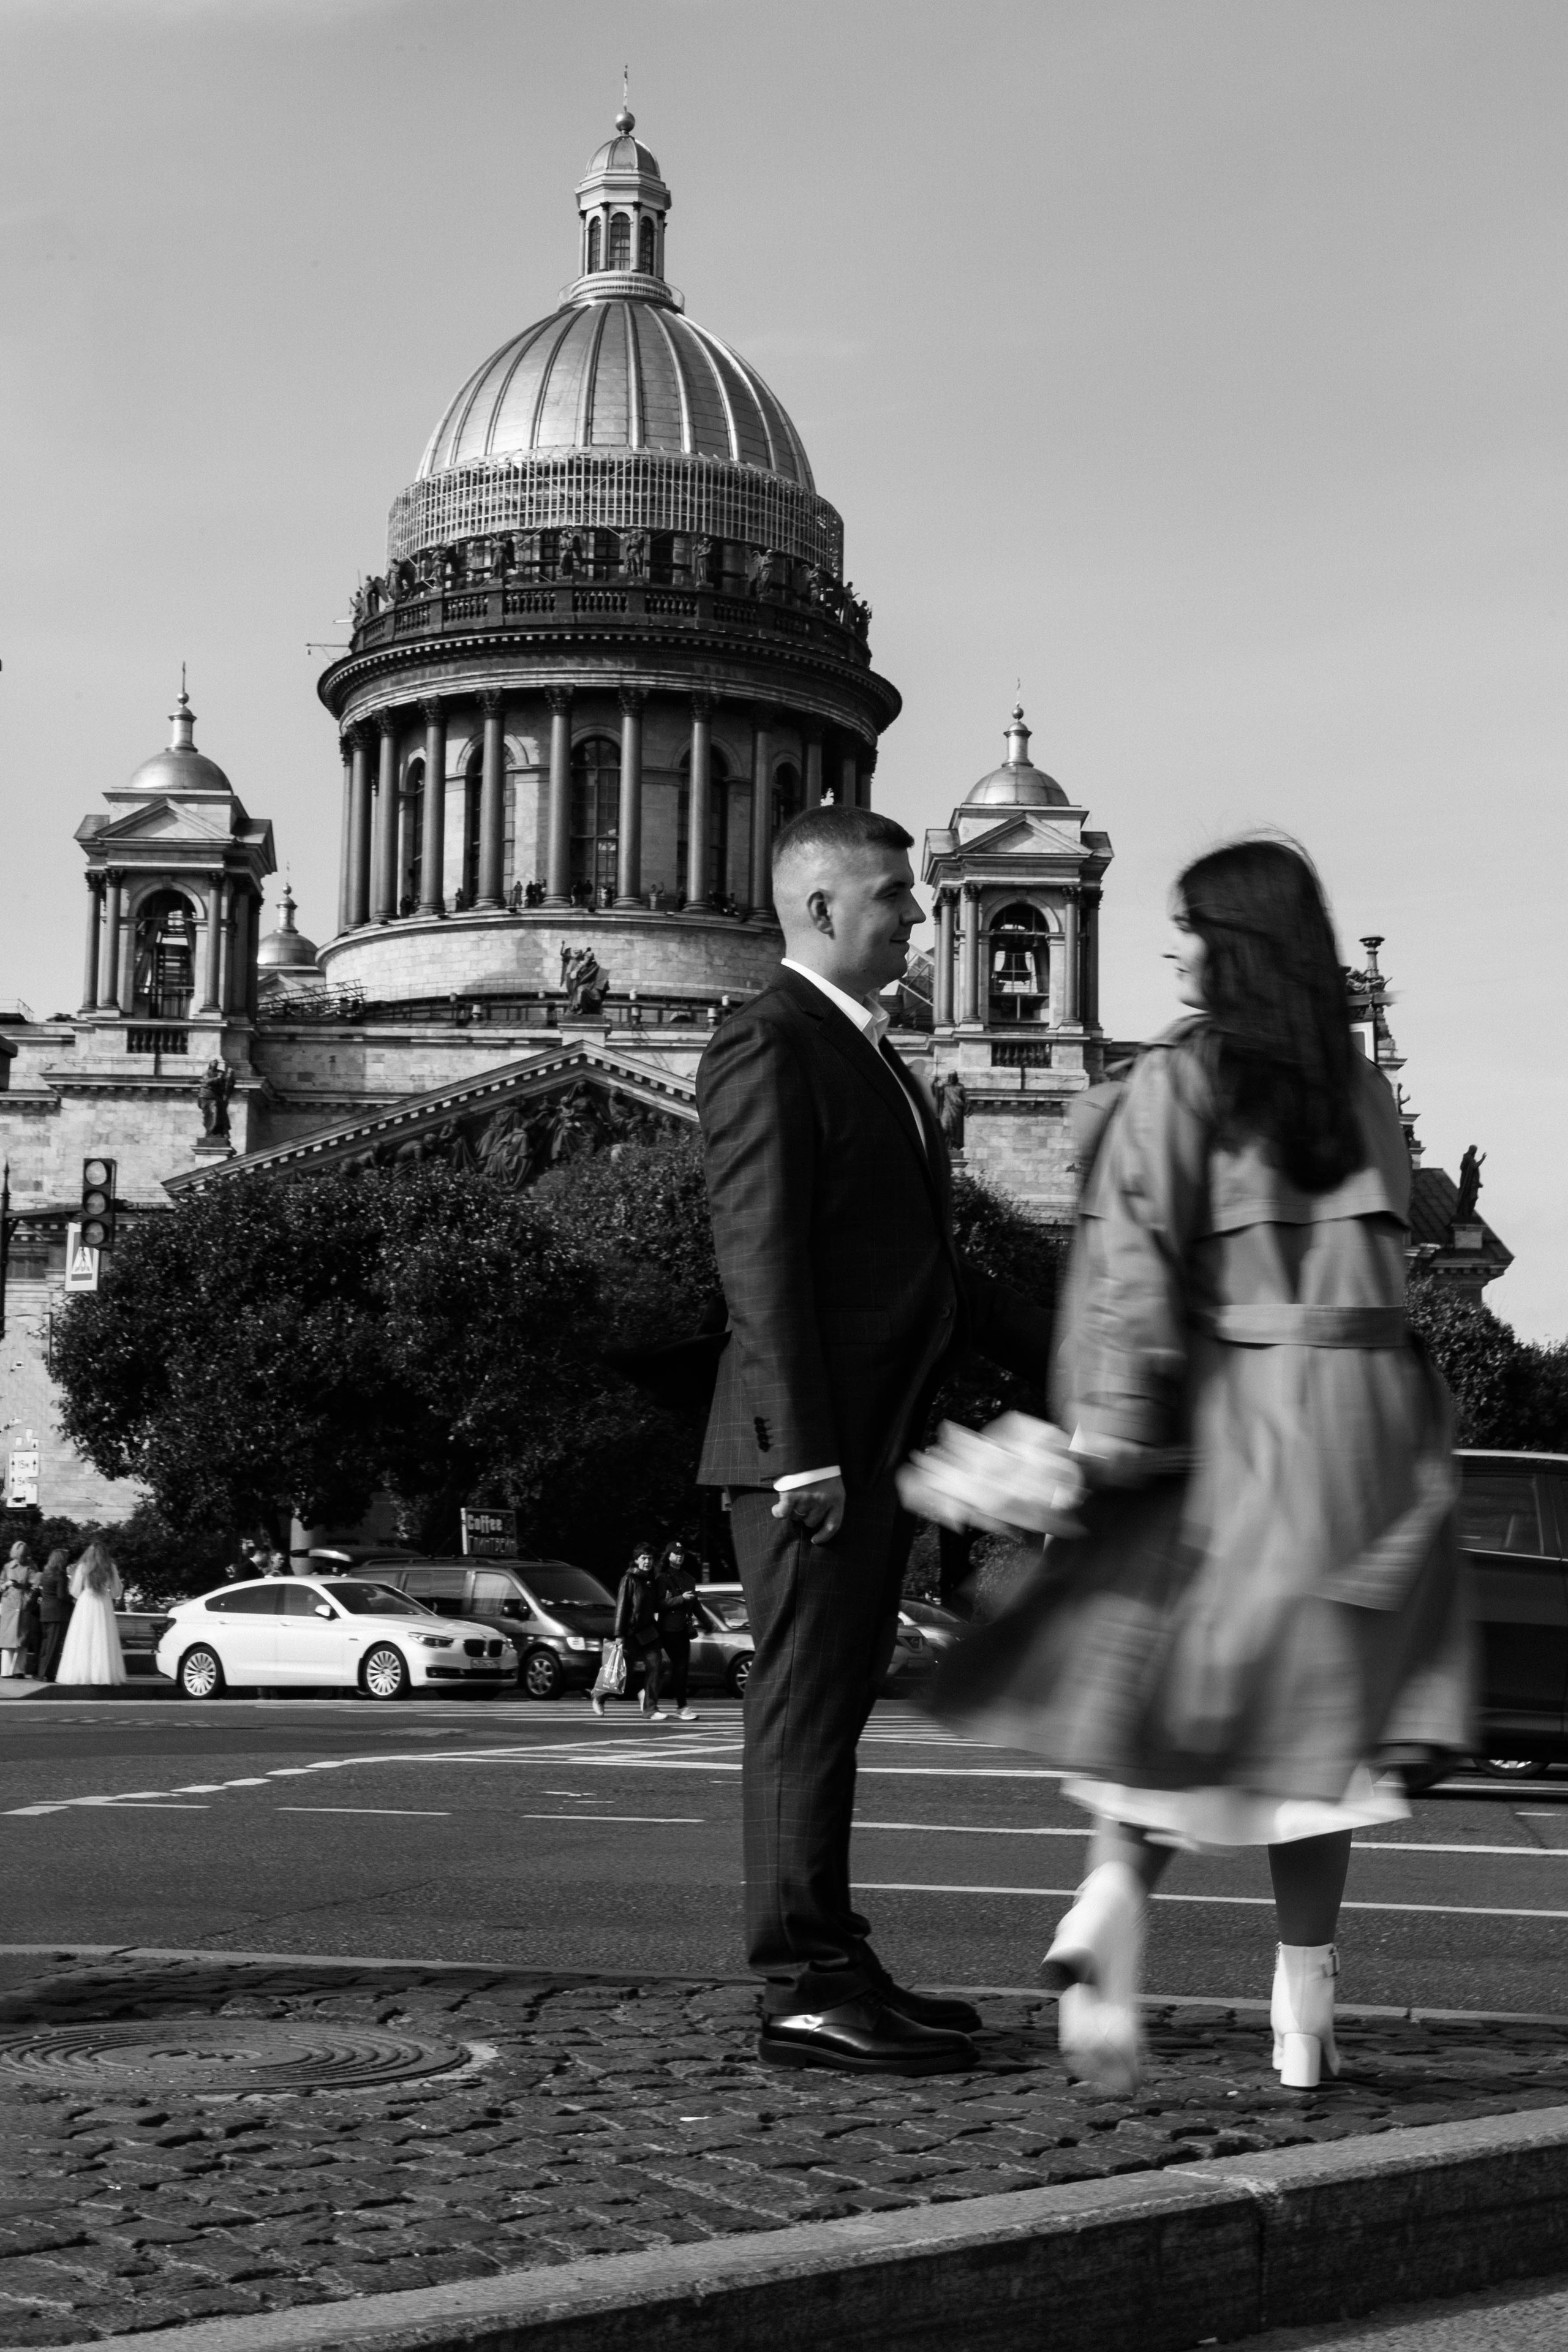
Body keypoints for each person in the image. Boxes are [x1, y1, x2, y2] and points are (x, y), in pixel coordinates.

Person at [929, 838, 1469, 2097]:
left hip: (1243, 1429)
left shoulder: (1178, 1086)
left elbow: (1125, 1278)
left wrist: (1099, 1439)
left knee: (1172, 1697)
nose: (1168, 953)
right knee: (1323, 1742)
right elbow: (1386, 1277)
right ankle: (1301, 2014)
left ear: (1232, 945)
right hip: (1369, 1431)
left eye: (1185, 932)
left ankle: (1111, 1898)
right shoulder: (1357, 1090)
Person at [696, 802, 1050, 2076]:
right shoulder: (767, 1043)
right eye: (894, 896)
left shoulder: (869, 1054)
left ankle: (833, 1959)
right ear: (821, 910)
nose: (917, 914)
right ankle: (797, 1980)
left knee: (831, 1712)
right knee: (800, 1714)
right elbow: (760, 1257)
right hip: (810, 1457)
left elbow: (931, 1271)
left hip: (865, 1440)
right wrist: (802, 1454)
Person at [600, 1542, 666, 1718]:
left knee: (656, 1665)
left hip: (648, 1631)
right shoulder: (629, 1579)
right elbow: (621, 1608)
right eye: (644, 1558)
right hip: (631, 1632)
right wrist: (619, 1635)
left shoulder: (651, 1581)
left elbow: (655, 1606)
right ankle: (601, 1695)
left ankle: (650, 1708)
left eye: (650, 1559)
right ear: (636, 1560)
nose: (647, 1562)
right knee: (623, 1672)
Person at [55, 1542, 127, 1686]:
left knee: (83, 1639)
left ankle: (82, 1674)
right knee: (103, 1639)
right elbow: (117, 1592)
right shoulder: (110, 1568)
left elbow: (75, 1591)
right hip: (103, 1604)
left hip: (86, 1603)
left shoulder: (83, 1567)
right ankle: (102, 1675)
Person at [655, 1540, 702, 1722]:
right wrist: (680, 1599)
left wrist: (707, 1622)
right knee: (680, 1667)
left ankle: (649, 1693)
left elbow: (695, 1604)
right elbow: (659, 1604)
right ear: (669, 1556)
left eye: (682, 1553)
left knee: (679, 1669)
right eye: (676, 1553)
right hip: (669, 1629)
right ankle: (682, 1707)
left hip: (684, 1629)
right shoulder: (663, 1578)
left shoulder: (689, 1579)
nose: (680, 1556)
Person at [36, 1547, 73, 1681]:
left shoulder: (45, 1574)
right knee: (54, 1646)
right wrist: (73, 1599)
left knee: (46, 1645)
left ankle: (41, 1672)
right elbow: (62, 1595)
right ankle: (47, 1674)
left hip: (45, 1612)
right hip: (57, 1614)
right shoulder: (60, 1575)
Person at [0, 1545, 33, 1676]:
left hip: (23, 1604)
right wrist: (6, 1584)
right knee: (8, 1639)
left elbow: (35, 1585)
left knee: (22, 1639)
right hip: (9, 1605)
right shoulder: (7, 1567)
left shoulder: (31, 1567)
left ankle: (19, 1670)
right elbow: (1, 1585)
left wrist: (28, 1595)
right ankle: (6, 1671)